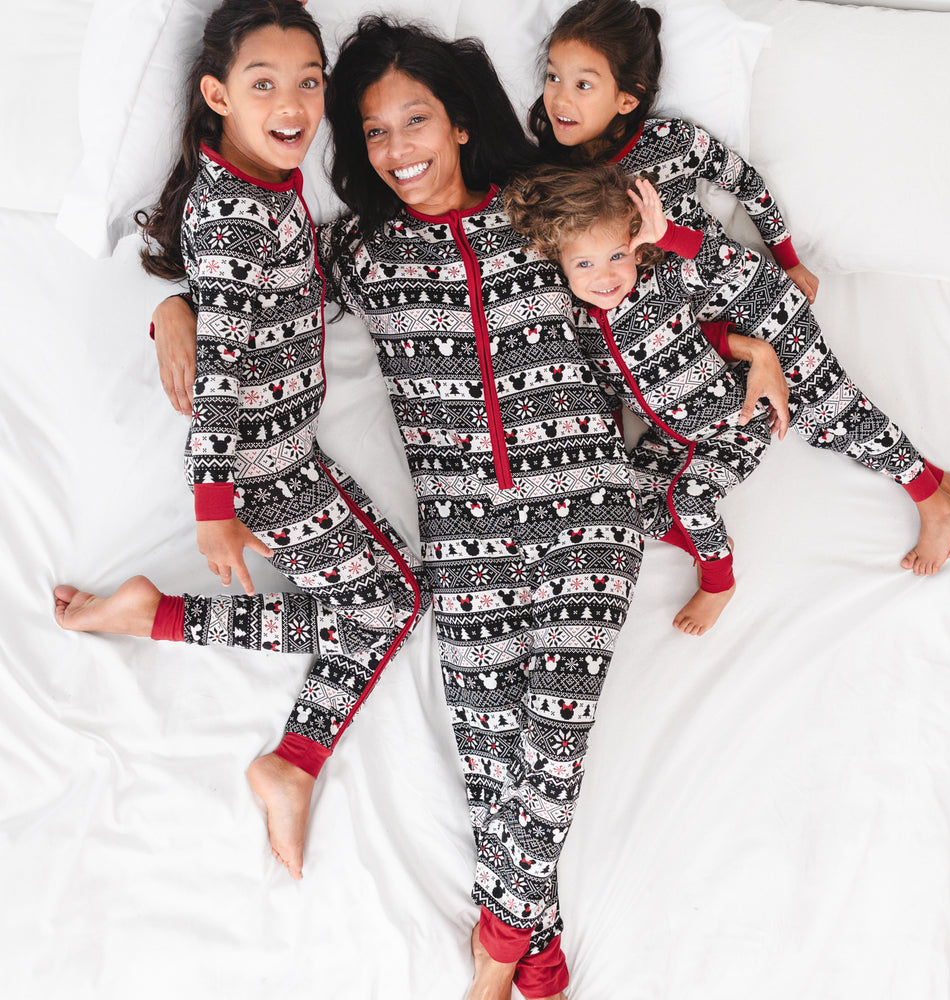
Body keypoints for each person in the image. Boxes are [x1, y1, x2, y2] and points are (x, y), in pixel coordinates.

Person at [148, 15, 655, 1000]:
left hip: (584, 515)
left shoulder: (544, 207)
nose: (397, 150)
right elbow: (251, 292)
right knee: (493, 771)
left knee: (551, 748)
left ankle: (493, 966)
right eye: (374, 134)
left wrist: (760, 335)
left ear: (460, 121)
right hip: (465, 547)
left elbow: (653, 275)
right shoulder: (359, 253)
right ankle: (530, 938)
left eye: (414, 121)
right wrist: (171, 310)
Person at [52, 0, 427, 881]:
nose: (293, 102)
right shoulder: (233, 223)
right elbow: (221, 374)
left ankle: (153, 615)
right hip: (261, 461)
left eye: (308, 81)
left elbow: (265, 291)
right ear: (218, 94)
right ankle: (290, 760)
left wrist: (173, 306)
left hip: (285, 447)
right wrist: (215, 509)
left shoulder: (263, 184)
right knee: (392, 605)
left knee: (378, 602)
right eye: (265, 85)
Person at [528, 0, 950, 599]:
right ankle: (943, 486)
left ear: (626, 98)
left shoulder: (669, 142)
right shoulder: (555, 178)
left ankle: (931, 495)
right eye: (553, 75)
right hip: (691, 333)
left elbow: (744, 185)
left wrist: (786, 254)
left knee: (824, 406)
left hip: (743, 289)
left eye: (584, 83)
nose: (561, 96)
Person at [507, 164, 794, 634]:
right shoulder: (576, 325)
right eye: (584, 264)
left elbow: (708, 314)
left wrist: (670, 237)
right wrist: (612, 454)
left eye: (617, 255)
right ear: (557, 262)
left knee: (690, 496)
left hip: (733, 423)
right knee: (617, 502)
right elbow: (602, 397)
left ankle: (719, 580)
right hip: (667, 439)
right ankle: (703, 546)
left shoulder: (660, 287)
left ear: (637, 249)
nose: (605, 276)